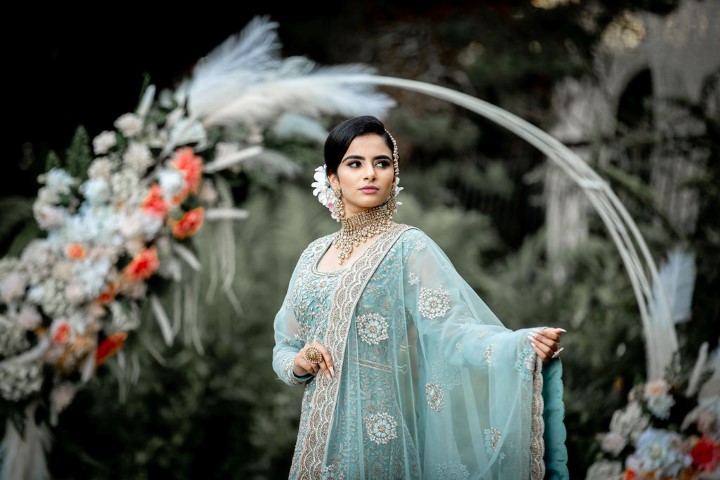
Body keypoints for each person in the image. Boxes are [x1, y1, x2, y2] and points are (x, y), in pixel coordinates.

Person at [271, 115, 569, 479]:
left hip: (377, 440)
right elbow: (284, 344)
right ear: (333, 178)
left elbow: (452, 332)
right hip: (313, 443)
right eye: (355, 164)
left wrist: (520, 344)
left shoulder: (408, 247)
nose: (370, 174)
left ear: (394, 176)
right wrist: (299, 364)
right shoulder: (312, 254)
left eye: (382, 163)